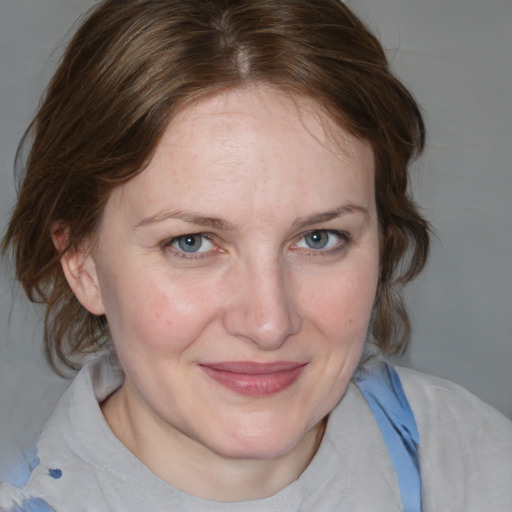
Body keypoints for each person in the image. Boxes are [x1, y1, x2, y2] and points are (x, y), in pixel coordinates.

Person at [1, 0, 511, 510]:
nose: (268, 324)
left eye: (319, 238)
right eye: (192, 242)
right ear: (82, 264)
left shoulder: (481, 467)